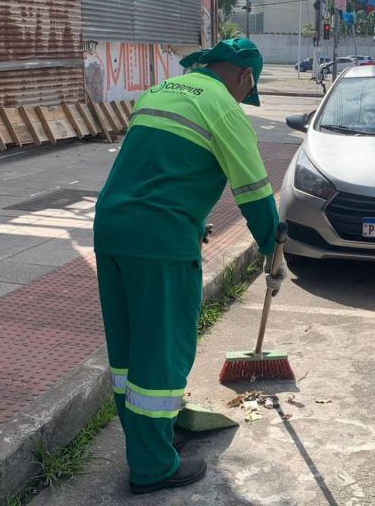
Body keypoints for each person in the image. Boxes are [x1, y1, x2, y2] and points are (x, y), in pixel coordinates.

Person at [92, 38, 285, 494]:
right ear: (245, 77)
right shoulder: (224, 108)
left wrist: (194, 219)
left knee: (129, 351)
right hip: (160, 242)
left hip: (112, 230)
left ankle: (155, 433)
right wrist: (272, 255)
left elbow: (159, 169)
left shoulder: (162, 90)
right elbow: (255, 193)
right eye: (247, 90)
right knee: (162, 351)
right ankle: (153, 466)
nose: (245, 98)